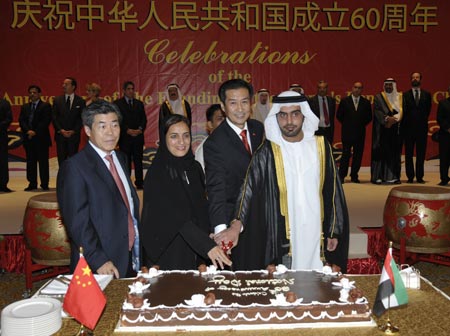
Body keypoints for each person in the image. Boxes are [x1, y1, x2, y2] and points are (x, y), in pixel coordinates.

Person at [214, 91, 349, 272]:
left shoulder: (321, 145)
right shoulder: (268, 151)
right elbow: (248, 188)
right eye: (283, 115)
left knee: (316, 282)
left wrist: (334, 230)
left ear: (304, 116)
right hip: (285, 234)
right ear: (276, 118)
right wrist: (236, 224)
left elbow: (333, 190)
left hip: (316, 230)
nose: (289, 121)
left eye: (295, 114)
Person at [57, 100, 140, 278]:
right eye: (102, 126)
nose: (110, 132)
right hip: (99, 263)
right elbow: (77, 222)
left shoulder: (121, 158)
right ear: (87, 131)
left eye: (115, 125)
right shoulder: (75, 167)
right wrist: (99, 259)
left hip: (129, 254)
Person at [140, 114, 231, 270]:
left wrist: (211, 234)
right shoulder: (158, 173)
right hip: (170, 250)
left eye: (186, 136)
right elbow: (176, 216)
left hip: (197, 249)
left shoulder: (194, 168)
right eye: (174, 136)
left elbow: (201, 207)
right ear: (164, 139)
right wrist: (207, 246)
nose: (181, 142)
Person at [204, 79, 264, 270]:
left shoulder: (258, 129)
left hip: (263, 216)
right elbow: (216, 190)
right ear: (223, 107)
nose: (240, 108)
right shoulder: (215, 143)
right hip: (235, 222)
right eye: (233, 103)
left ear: (251, 103)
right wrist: (222, 233)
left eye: (244, 102)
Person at [337, 82, 372, 183]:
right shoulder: (344, 101)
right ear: (352, 88)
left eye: (360, 88)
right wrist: (348, 124)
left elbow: (369, 117)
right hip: (347, 132)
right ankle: (342, 176)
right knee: (345, 154)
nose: (357, 90)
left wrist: (359, 124)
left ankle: (354, 176)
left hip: (360, 132)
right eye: (355, 87)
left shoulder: (366, 102)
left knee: (358, 155)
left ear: (362, 90)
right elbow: (339, 116)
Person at [114, 81, 147, 189]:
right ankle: (127, 183)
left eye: (132, 89)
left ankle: (139, 183)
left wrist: (139, 129)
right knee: (126, 161)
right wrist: (126, 130)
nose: (131, 91)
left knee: (138, 160)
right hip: (125, 137)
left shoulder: (139, 103)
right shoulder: (117, 104)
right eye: (129, 89)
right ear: (123, 91)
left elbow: (144, 119)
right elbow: (117, 119)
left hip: (138, 137)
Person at [19, 85, 52, 191]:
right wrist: (28, 131)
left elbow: (45, 121)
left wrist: (35, 132)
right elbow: (22, 120)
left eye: (34, 92)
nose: (32, 94)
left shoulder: (46, 106)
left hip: (41, 138)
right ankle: (32, 183)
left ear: (39, 94)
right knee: (30, 162)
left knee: (43, 162)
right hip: (28, 138)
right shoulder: (25, 106)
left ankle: (44, 184)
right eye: (30, 92)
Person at [371, 79, 403, 185]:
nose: (388, 87)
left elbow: (402, 111)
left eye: (390, 85)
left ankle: (392, 177)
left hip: (395, 130)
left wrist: (395, 119)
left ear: (394, 86)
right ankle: (378, 177)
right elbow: (377, 111)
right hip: (381, 130)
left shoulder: (399, 97)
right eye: (387, 85)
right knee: (380, 153)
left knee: (393, 153)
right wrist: (387, 119)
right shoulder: (378, 97)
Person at [402, 72, 432, 183]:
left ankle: (420, 177)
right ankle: (410, 177)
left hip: (422, 129)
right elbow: (404, 112)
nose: (415, 79)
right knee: (408, 154)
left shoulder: (427, 95)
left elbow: (428, 111)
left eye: (417, 77)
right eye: (413, 77)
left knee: (421, 154)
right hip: (408, 129)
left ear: (420, 79)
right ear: (411, 80)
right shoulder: (405, 95)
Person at [52, 77, 86, 166]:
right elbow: (54, 117)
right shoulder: (57, 100)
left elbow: (81, 118)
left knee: (73, 161)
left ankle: (73, 179)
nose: (63, 86)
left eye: (66, 84)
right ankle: (62, 180)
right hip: (61, 136)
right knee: (62, 162)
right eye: (63, 84)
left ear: (73, 86)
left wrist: (74, 130)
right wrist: (61, 130)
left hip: (73, 136)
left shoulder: (80, 101)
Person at [194, 104, 225, 170]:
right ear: (210, 124)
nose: (225, 121)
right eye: (220, 118)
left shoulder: (232, 143)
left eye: (227, 118)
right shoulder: (204, 148)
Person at [308, 80, 336, 144]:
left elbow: (332, 116)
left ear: (327, 89)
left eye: (324, 88)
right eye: (320, 88)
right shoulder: (311, 101)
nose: (322, 90)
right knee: (318, 151)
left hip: (329, 130)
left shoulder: (331, 100)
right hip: (317, 130)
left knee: (328, 150)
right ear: (317, 89)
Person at [437, 85, 450, 186]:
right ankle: (444, 178)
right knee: (444, 157)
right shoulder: (443, 103)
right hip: (445, 134)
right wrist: (447, 128)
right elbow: (439, 118)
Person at [0, 97, 12, 192]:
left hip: (1, 135)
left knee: (2, 160)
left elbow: (8, 119)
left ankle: (3, 184)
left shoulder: (4, 103)